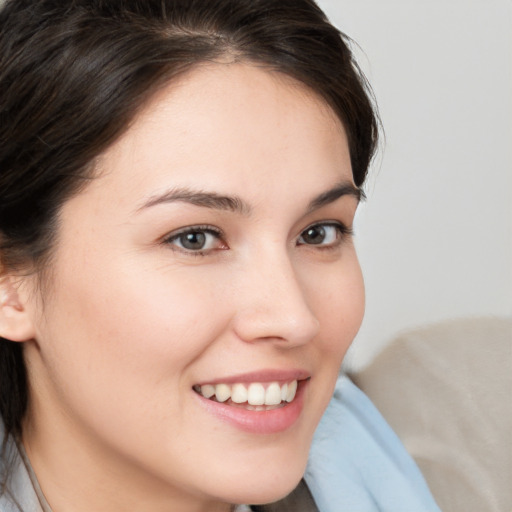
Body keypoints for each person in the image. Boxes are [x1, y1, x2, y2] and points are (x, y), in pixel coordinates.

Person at [0, 1, 440, 511]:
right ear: (10, 279)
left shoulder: (371, 469)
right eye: (195, 239)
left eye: (319, 232)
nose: (294, 319)